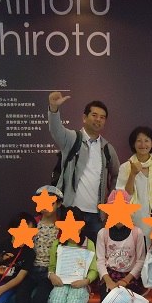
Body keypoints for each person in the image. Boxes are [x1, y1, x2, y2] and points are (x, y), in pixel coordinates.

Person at [48, 91, 120, 244]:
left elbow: (116, 175)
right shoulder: (72, 139)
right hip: (71, 212)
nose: (98, 119)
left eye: (102, 117)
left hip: (96, 216)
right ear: (84, 118)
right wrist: (54, 109)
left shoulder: (107, 148)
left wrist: (110, 202)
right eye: (94, 115)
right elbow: (56, 130)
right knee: (68, 253)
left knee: (94, 254)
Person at [14, 185, 64, 303]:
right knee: (21, 295)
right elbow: (13, 241)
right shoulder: (32, 223)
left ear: (58, 204)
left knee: (40, 299)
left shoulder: (63, 226)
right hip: (29, 270)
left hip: (49, 273)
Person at [96, 189, 147, 303]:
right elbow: (100, 261)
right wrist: (108, 281)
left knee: (129, 298)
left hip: (130, 275)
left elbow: (140, 260)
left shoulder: (137, 233)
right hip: (109, 274)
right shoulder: (103, 233)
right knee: (105, 298)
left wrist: (126, 280)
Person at [46, 206, 99, 303]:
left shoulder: (88, 244)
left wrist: (85, 281)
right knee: (56, 300)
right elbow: (51, 267)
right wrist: (51, 275)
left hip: (80, 284)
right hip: (61, 283)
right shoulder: (57, 244)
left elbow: (94, 270)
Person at [116, 126, 152, 237]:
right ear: (133, 144)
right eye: (139, 141)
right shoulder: (125, 167)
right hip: (134, 221)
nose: (143, 145)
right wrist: (132, 174)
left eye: (147, 140)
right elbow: (123, 198)